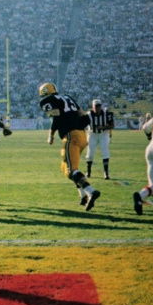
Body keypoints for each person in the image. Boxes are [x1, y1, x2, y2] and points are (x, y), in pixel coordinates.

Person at [37, 82, 99, 210]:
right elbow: (82, 114)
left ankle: (91, 191)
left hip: (71, 136)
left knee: (71, 170)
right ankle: (83, 196)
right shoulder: (67, 97)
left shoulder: (47, 101)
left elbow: (57, 116)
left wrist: (51, 134)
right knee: (67, 167)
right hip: (82, 135)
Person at [86, 99, 116, 180]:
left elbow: (112, 125)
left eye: (99, 106)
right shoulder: (88, 115)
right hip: (92, 134)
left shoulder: (107, 114)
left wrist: (103, 127)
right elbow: (82, 124)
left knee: (105, 151)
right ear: (92, 107)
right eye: (96, 106)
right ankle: (88, 172)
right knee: (90, 153)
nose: (97, 108)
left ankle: (106, 173)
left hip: (103, 134)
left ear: (101, 106)